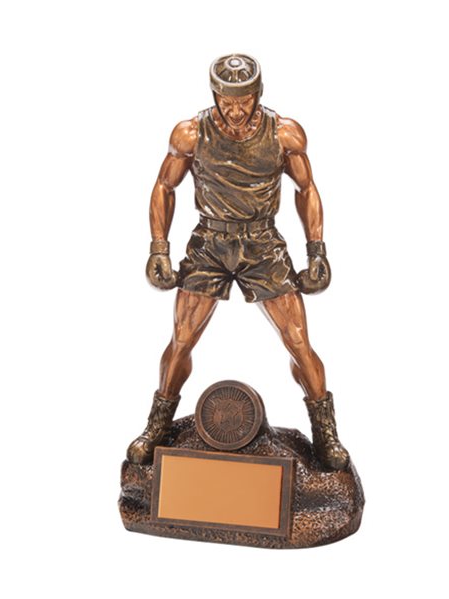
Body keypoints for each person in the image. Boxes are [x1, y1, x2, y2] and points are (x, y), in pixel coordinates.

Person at [127, 54, 349, 470]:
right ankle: (156, 425)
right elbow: (164, 187)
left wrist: (316, 251)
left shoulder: (284, 133)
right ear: (214, 96)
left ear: (257, 94)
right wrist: (159, 248)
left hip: (262, 242)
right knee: (182, 339)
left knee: (297, 340)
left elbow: (306, 189)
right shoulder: (191, 134)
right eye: (226, 102)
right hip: (210, 241)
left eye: (243, 101)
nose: (234, 110)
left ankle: (326, 433)